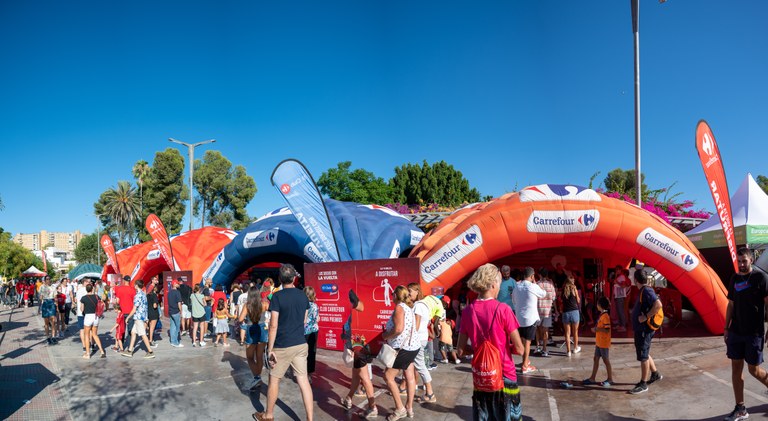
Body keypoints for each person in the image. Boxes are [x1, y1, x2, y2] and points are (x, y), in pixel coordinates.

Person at [458, 263, 524, 421]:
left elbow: (460, 350)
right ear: (493, 284)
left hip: (482, 376)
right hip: (504, 374)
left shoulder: (467, 311)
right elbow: (520, 349)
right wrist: (503, 348)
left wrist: (481, 351)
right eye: (499, 284)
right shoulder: (503, 309)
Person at [254, 264, 313, 421]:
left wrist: (269, 349)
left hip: (282, 345)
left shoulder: (278, 297)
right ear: (294, 278)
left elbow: (273, 325)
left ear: (279, 279)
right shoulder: (303, 296)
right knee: (303, 381)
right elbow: (305, 320)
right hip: (300, 343)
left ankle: (268, 415)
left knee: (274, 380)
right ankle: (310, 419)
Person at [723, 247, 768, 421]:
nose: (741, 264)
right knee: (736, 368)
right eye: (739, 261)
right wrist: (726, 328)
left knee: (754, 370)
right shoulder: (734, 278)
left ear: (751, 260)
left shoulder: (760, 278)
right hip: (736, 331)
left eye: (744, 261)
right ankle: (740, 408)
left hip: (754, 332)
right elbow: (731, 305)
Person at [381, 285, 421, 421]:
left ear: (396, 295)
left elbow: (398, 329)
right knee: (409, 377)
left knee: (388, 376)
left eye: (392, 294)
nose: (391, 296)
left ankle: (400, 409)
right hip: (413, 347)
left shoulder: (399, 308)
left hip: (403, 348)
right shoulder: (408, 308)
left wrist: (386, 336)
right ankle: (409, 408)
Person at [340, 289, 377, 419]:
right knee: (356, 375)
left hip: (356, 345)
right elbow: (359, 307)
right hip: (356, 343)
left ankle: (373, 407)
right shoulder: (351, 302)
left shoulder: (350, 302)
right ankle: (349, 399)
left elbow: (358, 305)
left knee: (364, 377)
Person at [628, 269, 662, 394]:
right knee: (645, 353)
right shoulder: (644, 290)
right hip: (642, 329)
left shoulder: (646, 290)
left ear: (635, 280)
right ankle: (655, 374)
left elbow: (658, 305)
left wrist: (645, 316)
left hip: (644, 330)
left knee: (643, 356)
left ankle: (643, 383)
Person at [402, 283, 437, 403]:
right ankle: (405, 386)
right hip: (422, 338)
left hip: (417, 339)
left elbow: (415, 326)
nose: (408, 293)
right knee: (412, 364)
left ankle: (430, 393)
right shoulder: (424, 305)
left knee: (420, 366)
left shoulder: (417, 306)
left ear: (417, 292)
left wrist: (407, 337)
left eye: (410, 291)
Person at [511, 267, 546, 373]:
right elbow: (543, 294)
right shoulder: (533, 286)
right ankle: (525, 366)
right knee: (527, 343)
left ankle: (525, 361)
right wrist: (535, 283)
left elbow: (513, 301)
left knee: (523, 341)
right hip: (530, 318)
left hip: (519, 318)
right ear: (532, 276)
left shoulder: (517, 286)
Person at [583, 296, 613, 387]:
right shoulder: (602, 315)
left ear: (600, 305)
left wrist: (597, 329)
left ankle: (610, 378)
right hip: (599, 342)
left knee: (605, 360)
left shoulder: (605, 317)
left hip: (603, 343)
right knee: (596, 358)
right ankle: (592, 378)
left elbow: (607, 329)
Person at [121, 279, 156, 359]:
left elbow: (134, 309)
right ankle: (130, 350)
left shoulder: (137, 296)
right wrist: (146, 318)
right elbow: (145, 307)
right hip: (142, 316)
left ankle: (150, 351)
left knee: (143, 334)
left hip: (138, 317)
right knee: (133, 332)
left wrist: (128, 317)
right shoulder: (143, 294)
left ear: (136, 285)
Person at [239, 289, 265, 391]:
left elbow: (240, 319)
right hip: (262, 329)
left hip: (252, 329)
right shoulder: (264, 304)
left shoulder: (247, 305)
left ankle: (257, 377)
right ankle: (258, 377)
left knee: (249, 357)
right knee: (259, 356)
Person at [534, 268, 556, 357]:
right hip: (548, 310)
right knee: (545, 330)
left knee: (538, 329)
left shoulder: (537, 284)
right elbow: (554, 297)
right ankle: (545, 349)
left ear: (539, 275)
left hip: (538, 310)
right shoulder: (551, 285)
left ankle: (537, 346)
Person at [80, 283, 106, 359]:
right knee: (95, 334)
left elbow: (82, 309)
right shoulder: (96, 297)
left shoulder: (83, 298)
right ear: (92, 289)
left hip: (88, 316)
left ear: (86, 289)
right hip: (96, 317)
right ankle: (102, 351)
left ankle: (88, 354)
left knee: (87, 335)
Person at [559, 275, 582, 357]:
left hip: (566, 313)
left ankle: (568, 351)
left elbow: (561, 301)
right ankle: (575, 348)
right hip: (574, 312)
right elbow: (578, 300)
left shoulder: (563, 289)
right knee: (575, 332)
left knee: (567, 333)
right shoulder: (574, 288)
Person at [114, 275, 136, 350]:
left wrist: (117, 310)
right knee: (130, 330)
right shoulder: (133, 290)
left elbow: (117, 301)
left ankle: (121, 345)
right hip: (130, 312)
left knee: (121, 329)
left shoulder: (120, 289)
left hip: (122, 312)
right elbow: (135, 302)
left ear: (124, 281)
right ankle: (130, 346)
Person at [304, 286, 319, 381]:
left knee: (303, 353)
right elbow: (318, 319)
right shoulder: (315, 306)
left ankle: (302, 373)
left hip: (304, 331)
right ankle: (309, 374)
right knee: (312, 352)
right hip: (314, 330)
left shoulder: (301, 305)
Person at [167, 279, 184, 347]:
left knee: (172, 326)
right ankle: (176, 342)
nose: (178, 284)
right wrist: (181, 311)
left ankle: (172, 341)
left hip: (171, 311)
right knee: (177, 327)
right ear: (174, 284)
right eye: (177, 283)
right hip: (176, 311)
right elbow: (179, 303)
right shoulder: (177, 292)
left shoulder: (169, 292)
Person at [613, 266, 630, 333]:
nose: (616, 271)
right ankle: (620, 325)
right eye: (616, 270)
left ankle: (623, 326)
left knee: (621, 311)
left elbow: (623, 286)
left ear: (620, 270)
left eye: (618, 270)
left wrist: (617, 282)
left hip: (620, 296)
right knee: (618, 311)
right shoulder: (618, 277)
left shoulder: (622, 276)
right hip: (617, 296)